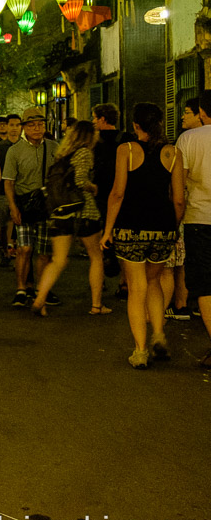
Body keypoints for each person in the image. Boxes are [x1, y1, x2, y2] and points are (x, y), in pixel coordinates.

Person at [102, 103, 185, 369]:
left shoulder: (126, 150)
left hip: (131, 226)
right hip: (162, 226)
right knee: (154, 282)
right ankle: (159, 333)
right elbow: (179, 199)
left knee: (136, 288)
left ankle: (139, 351)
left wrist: (108, 230)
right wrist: (173, 227)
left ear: (135, 125)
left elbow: (117, 193)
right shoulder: (173, 153)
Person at [29, 121, 109, 317]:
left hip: (61, 212)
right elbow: (81, 180)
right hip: (84, 212)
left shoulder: (62, 155)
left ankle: (40, 297)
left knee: (58, 260)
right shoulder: (84, 152)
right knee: (96, 256)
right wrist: (94, 187)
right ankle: (96, 305)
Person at [3, 108, 59, 309]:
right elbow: (8, 182)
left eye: (40, 124)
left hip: (48, 206)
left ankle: (41, 289)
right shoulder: (14, 151)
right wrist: (12, 207)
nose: (37, 128)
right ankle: (21, 288)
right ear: (24, 128)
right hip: (24, 205)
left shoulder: (54, 147)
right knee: (24, 249)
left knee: (45, 251)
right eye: (32, 125)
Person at [176, 91, 211, 368]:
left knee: (205, 286)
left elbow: (180, 184)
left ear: (202, 112)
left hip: (199, 219)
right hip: (198, 218)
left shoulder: (188, 140)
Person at [163, 98, 203, 319]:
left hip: (191, 210)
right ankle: (191, 303)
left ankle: (180, 303)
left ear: (201, 114)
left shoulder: (185, 140)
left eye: (187, 112)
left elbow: (179, 178)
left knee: (180, 260)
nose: (182, 116)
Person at [91, 103, 124, 291]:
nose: (93, 122)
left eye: (94, 118)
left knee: (98, 238)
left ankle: (99, 278)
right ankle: (124, 283)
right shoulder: (126, 139)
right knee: (122, 238)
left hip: (100, 194)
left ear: (102, 119)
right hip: (121, 193)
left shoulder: (93, 141)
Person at [0, 114, 20, 267]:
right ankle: (4, 249)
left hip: (20, 191)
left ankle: (13, 250)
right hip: (1, 191)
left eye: (17, 125)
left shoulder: (24, 145)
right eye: (11, 125)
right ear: (6, 127)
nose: (14, 129)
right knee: (3, 223)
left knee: (16, 222)